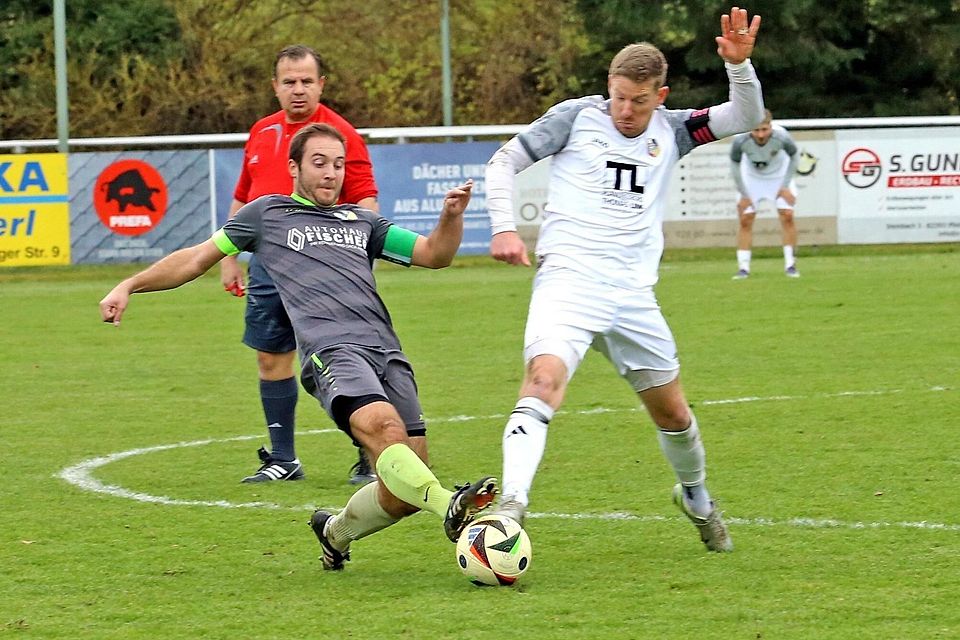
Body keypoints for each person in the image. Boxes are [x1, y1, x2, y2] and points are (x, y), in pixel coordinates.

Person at [100, 123, 498, 571]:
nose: (331, 174)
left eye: (339, 165)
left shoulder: (363, 222)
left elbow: (435, 255)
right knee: (385, 431)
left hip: (386, 350)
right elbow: (194, 259)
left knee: (403, 488)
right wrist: (130, 284)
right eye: (320, 163)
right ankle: (450, 504)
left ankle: (335, 533)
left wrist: (451, 217)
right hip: (331, 350)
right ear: (294, 167)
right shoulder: (267, 214)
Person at [484, 7, 765, 553]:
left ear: (661, 95)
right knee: (542, 382)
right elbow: (503, 162)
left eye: (639, 100)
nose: (625, 111)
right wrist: (504, 228)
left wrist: (739, 67)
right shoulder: (574, 117)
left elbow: (744, 114)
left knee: (674, 415)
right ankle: (511, 506)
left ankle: (696, 498)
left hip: (633, 297)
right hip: (568, 282)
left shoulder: (676, 130)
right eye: (617, 97)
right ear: (606, 88)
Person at [221, 44, 381, 485]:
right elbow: (243, 195)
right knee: (272, 360)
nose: (298, 89)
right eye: (289, 81)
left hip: (325, 268)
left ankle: (371, 454)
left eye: (306, 81)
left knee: (344, 359)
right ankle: (284, 458)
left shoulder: (340, 133)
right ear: (275, 86)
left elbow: (367, 197)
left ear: (321, 84)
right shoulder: (260, 132)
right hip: (270, 267)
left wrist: (359, 256)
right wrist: (230, 257)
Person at [730, 109, 800, 278]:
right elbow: (735, 164)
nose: (761, 135)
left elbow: (794, 155)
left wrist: (785, 186)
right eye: (756, 130)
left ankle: (790, 265)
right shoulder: (740, 139)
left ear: (771, 126)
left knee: (787, 215)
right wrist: (744, 194)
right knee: (746, 219)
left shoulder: (782, 136)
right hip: (752, 179)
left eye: (764, 129)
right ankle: (743, 268)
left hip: (778, 177)